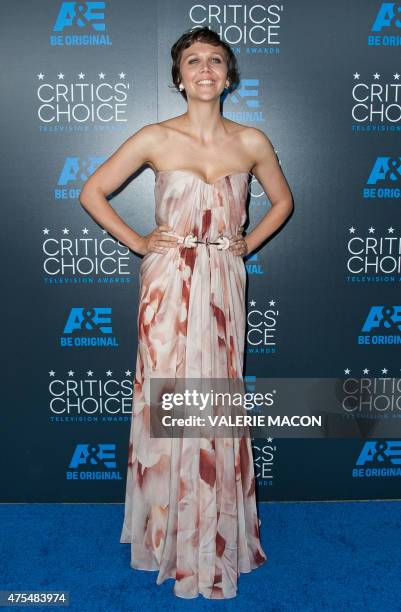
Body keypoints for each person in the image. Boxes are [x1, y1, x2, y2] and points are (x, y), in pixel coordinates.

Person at [80, 26, 293, 599]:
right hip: (169, 282)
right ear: (179, 77)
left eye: (215, 61)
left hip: (224, 281)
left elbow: (283, 201)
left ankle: (216, 531)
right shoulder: (155, 136)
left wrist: (246, 240)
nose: (205, 69)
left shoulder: (251, 141)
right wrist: (139, 241)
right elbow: (92, 191)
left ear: (228, 75)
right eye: (193, 61)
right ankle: (167, 533)